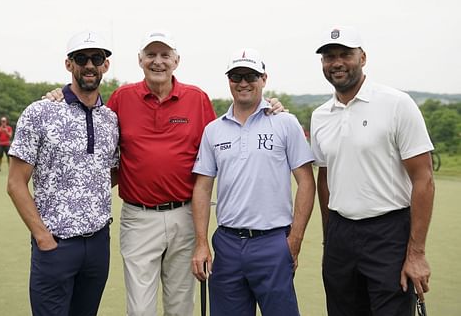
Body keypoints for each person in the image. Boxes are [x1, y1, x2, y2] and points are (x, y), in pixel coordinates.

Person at [44, 30, 285, 316]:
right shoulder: (122, 97)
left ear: (176, 61)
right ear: (140, 60)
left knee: (180, 307)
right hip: (138, 218)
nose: (158, 62)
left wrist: (267, 106)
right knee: (140, 309)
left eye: (165, 55)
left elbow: (227, 134)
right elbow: (92, 114)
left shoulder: (196, 99)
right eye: (151, 55)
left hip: (184, 215)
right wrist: (62, 93)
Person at [310, 26, 435, 315]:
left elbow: (424, 178)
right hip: (340, 234)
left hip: (388, 231)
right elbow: (325, 178)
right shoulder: (320, 116)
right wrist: (330, 239)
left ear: (363, 58)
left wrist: (416, 253)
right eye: (329, 57)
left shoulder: (396, 104)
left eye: (345, 55)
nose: (337, 62)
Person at [191, 48, 316, 316]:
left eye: (251, 75)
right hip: (227, 243)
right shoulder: (213, 130)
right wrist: (202, 243)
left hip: (272, 242)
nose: (243, 82)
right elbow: (202, 187)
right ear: (229, 80)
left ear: (264, 78)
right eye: (236, 76)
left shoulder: (285, 123)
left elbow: (306, 182)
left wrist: (294, 240)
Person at [6, 30, 119, 316]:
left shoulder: (110, 119)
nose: (90, 65)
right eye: (81, 58)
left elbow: (110, 173)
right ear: (69, 64)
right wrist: (43, 237)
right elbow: (16, 183)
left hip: (97, 245)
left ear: (106, 64)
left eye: (97, 58)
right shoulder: (40, 112)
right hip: (55, 244)